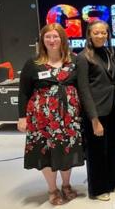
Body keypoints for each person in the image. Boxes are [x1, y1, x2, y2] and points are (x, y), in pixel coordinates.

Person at [17, 23, 84, 205]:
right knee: (45, 152)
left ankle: (66, 185)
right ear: (42, 39)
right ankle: (52, 189)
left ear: (63, 38)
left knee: (67, 150)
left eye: (56, 36)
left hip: (69, 118)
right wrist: (22, 118)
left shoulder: (74, 60)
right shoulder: (33, 63)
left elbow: (82, 88)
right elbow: (23, 92)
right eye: (48, 37)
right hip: (42, 119)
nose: (52, 40)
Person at [76, 20, 115, 201]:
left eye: (103, 33)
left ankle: (113, 182)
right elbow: (83, 90)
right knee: (96, 151)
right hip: (95, 111)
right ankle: (97, 189)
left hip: (111, 107)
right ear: (89, 34)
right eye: (96, 33)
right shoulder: (83, 57)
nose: (100, 36)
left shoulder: (108, 52)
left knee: (112, 147)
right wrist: (93, 119)